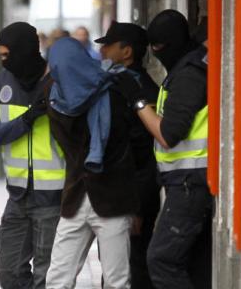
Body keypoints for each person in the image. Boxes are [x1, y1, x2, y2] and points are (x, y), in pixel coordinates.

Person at [124, 9, 211, 289]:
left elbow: (168, 135)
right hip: (187, 182)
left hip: (190, 184)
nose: (156, 52)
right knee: (195, 265)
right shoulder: (188, 65)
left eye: (159, 47)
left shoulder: (189, 75)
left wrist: (137, 102)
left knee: (161, 260)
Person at [45, 37, 138, 289]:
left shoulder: (114, 91)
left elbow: (133, 148)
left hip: (113, 199)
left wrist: (136, 204)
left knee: (117, 281)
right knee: (57, 278)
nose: (59, 73)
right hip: (75, 198)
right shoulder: (55, 98)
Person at [0, 22, 64, 289]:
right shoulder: (3, 81)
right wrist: (25, 120)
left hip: (53, 197)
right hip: (17, 195)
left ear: (24, 51)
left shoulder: (58, 79)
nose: (3, 61)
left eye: (7, 55)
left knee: (47, 277)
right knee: (10, 273)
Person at [96, 21, 160, 289]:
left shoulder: (138, 89)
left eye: (109, 45)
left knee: (131, 267)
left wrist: (137, 207)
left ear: (127, 51)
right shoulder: (119, 83)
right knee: (115, 265)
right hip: (118, 193)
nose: (103, 51)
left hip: (132, 196)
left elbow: (143, 153)